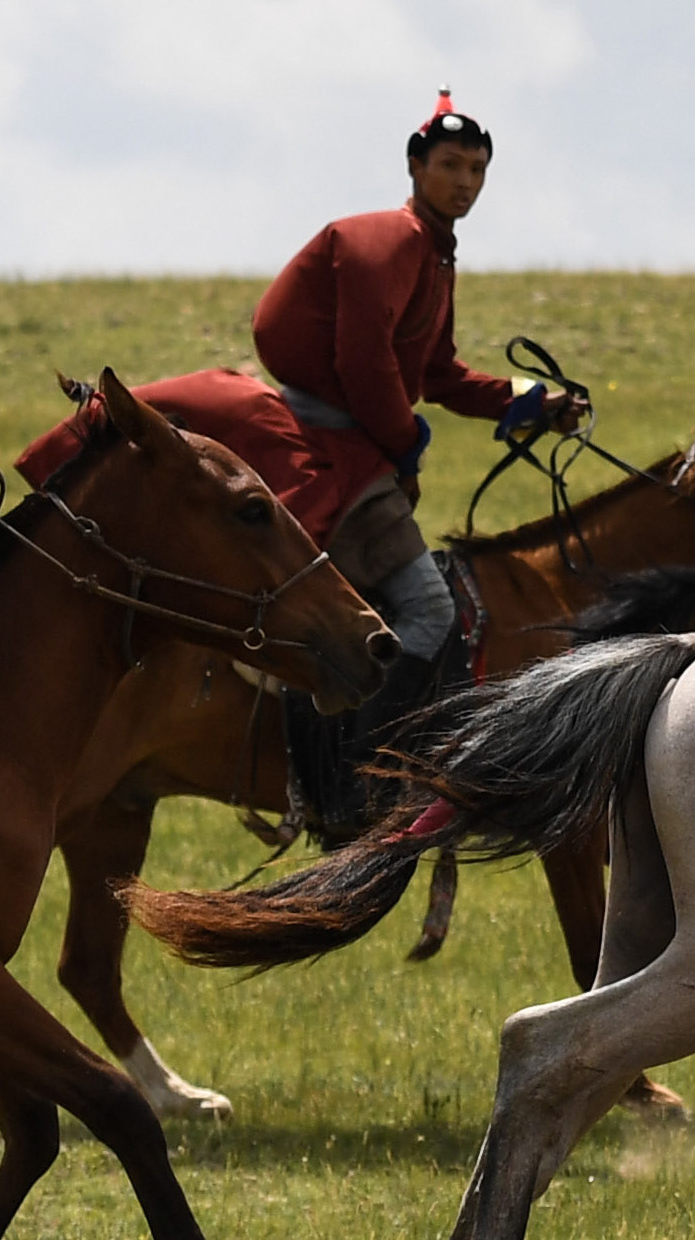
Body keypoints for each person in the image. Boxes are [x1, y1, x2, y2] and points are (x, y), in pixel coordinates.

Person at [249, 94, 588, 814]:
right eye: (449, 165)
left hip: (358, 440)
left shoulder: (433, 257)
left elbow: (438, 374)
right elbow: (364, 360)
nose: (464, 181)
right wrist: (405, 449)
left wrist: (537, 401)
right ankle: (355, 787)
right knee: (431, 611)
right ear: (414, 165)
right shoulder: (395, 244)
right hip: (333, 442)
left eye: (477, 168)